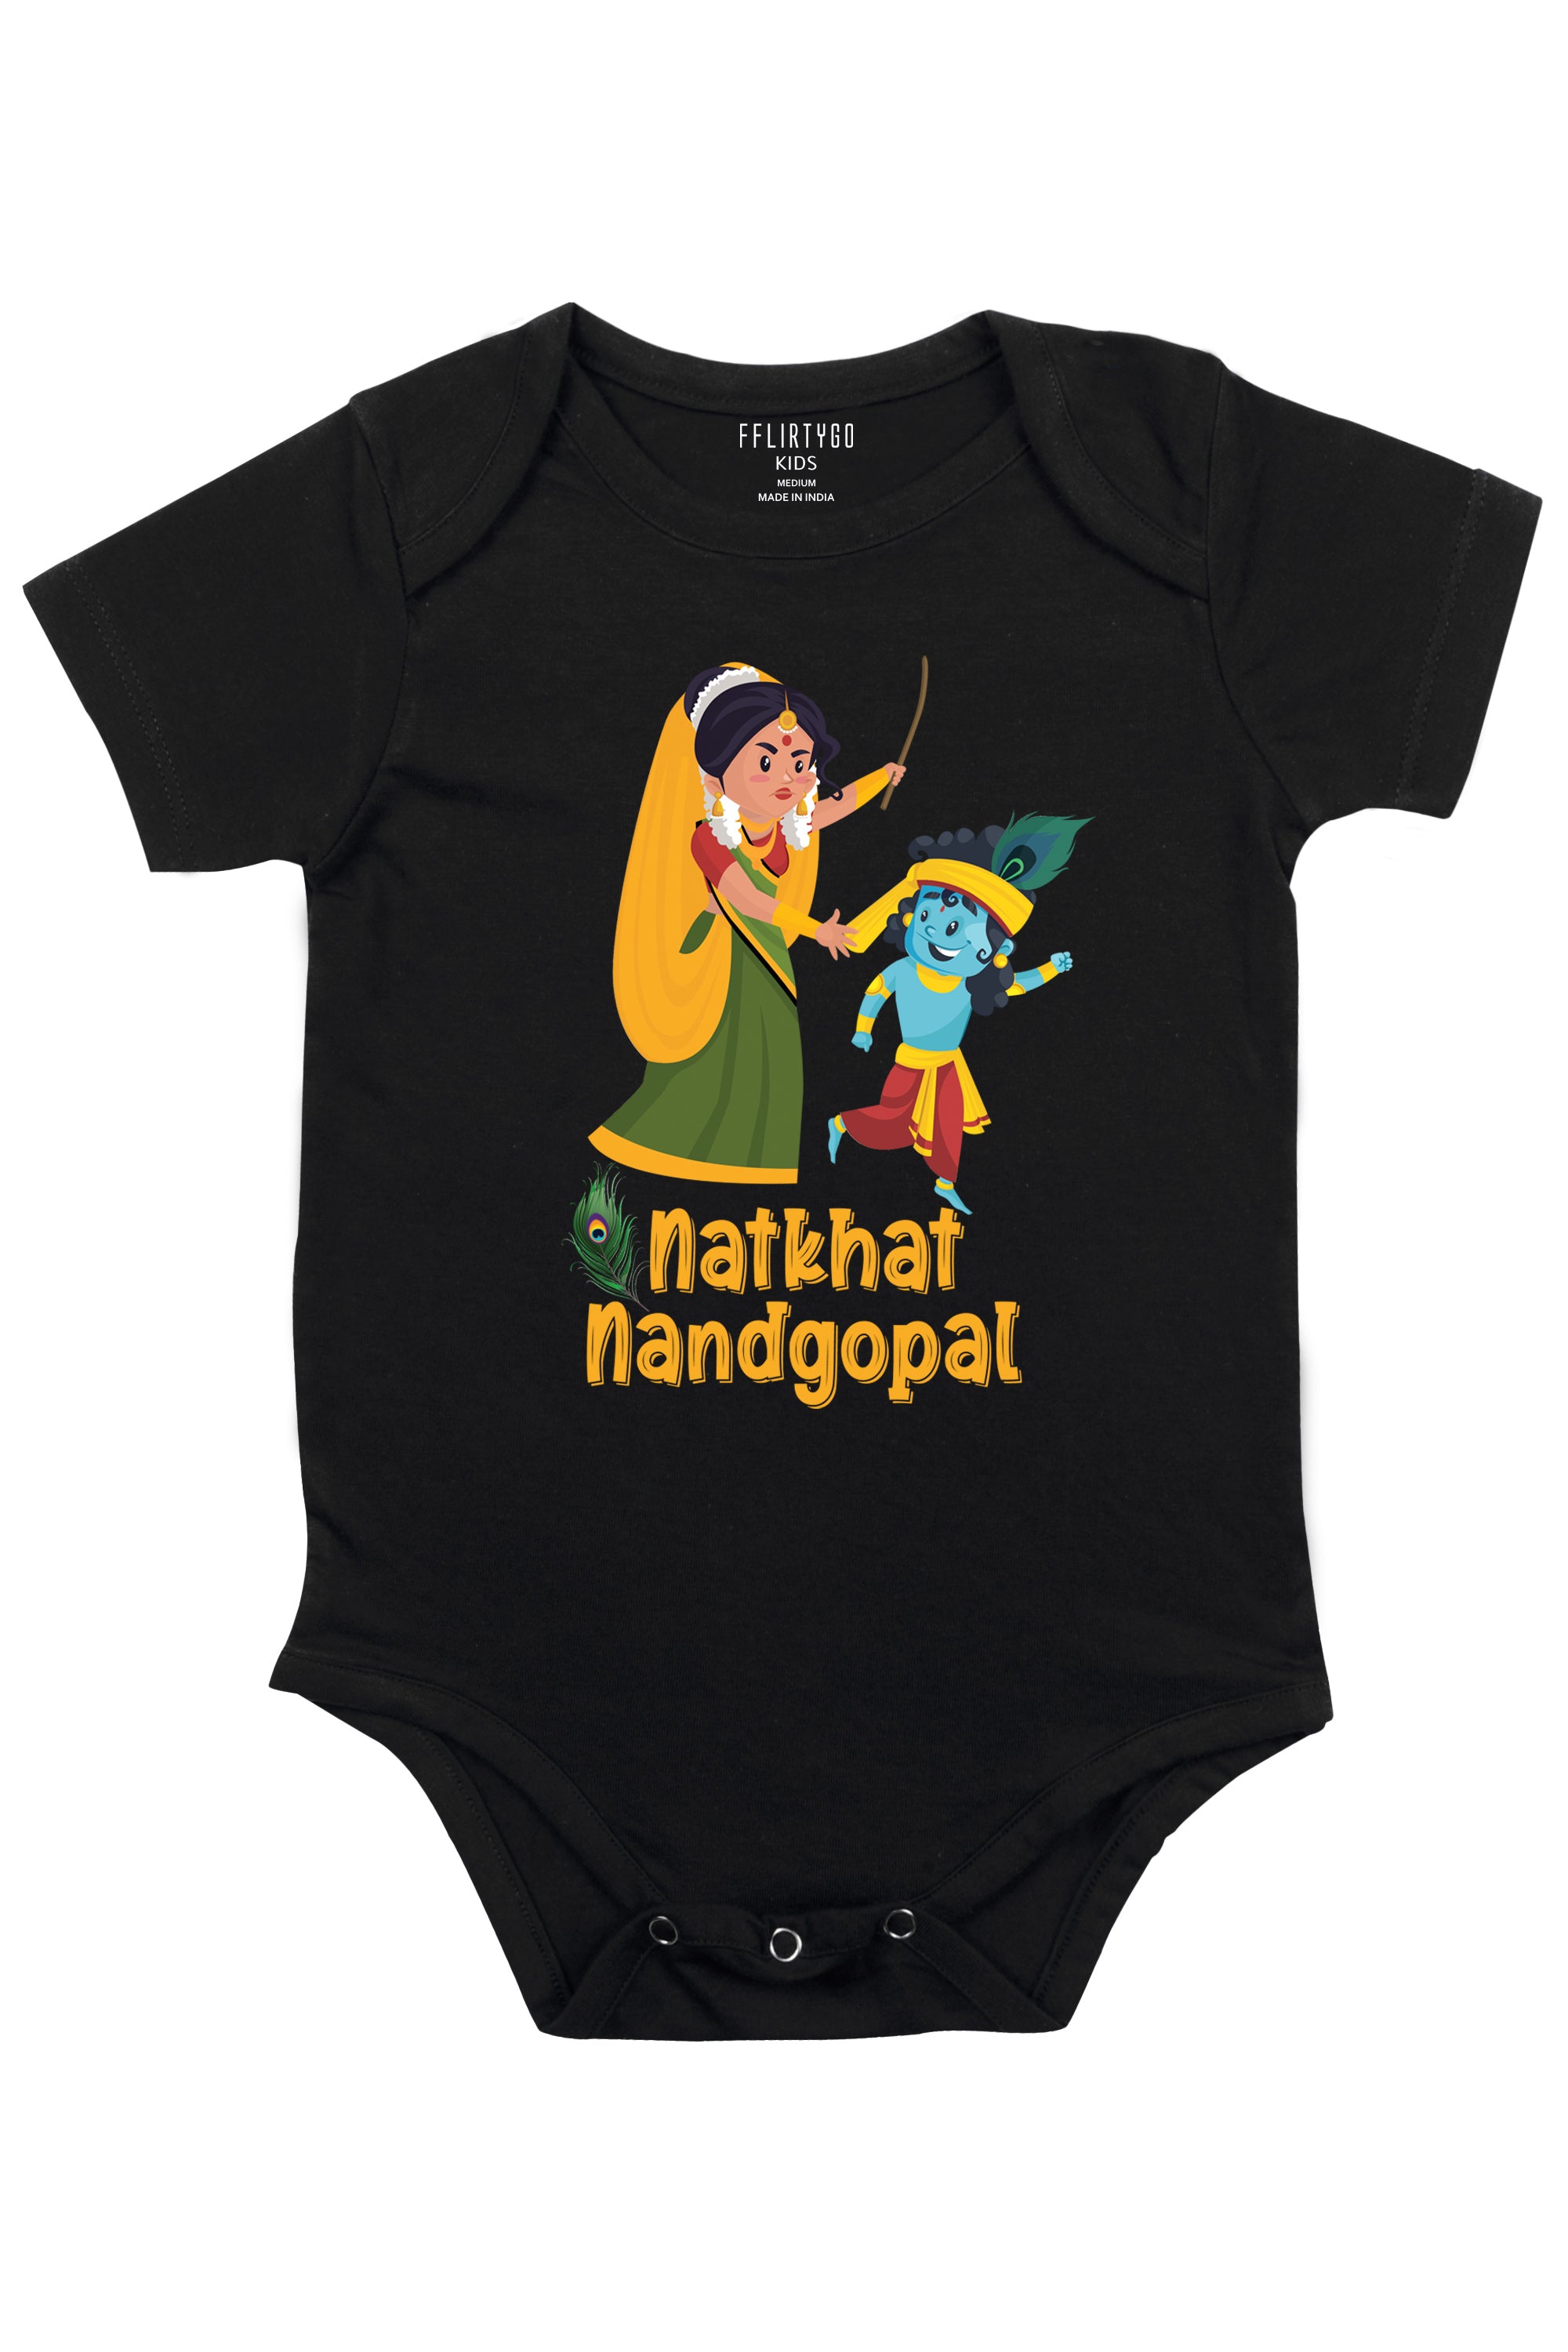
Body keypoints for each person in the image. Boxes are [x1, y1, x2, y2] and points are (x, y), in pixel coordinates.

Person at [590, 662, 903, 1182]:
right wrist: (816, 930)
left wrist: (882, 777)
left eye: (800, 762)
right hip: (722, 958)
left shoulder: (782, 824)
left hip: (763, 956)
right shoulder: (709, 837)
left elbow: (835, 806)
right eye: (765, 761)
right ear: (715, 774)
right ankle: (677, 1148)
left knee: (771, 1059)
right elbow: (744, 899)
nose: (788, 777)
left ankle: (750, 1161)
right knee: (719, 1060)